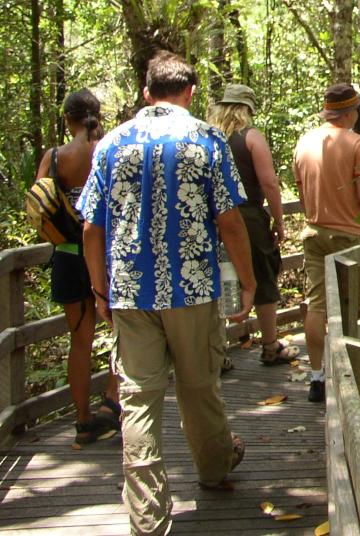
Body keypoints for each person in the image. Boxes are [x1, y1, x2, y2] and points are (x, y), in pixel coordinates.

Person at [79, 51, 256, 536]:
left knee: (138, 399)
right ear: (191, 92)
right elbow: (230, 221)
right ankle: (215, 468)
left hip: (130, 293)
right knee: (199, 387)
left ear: (144, 92)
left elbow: (92, 228)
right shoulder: (207, 139)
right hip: (194, 288)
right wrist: (246, 280)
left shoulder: (111, 144)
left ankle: (149, 518)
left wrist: (99, 290)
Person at [35, 89, 121, 445]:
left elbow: (37, 204)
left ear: (67, 119)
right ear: (98, 116)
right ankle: (111, 404)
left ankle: (83, 420)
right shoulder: (112, 150)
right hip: (108, 256)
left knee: (80, 341)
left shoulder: (54, 158)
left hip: (70, 255)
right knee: (125, 335)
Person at [294, 83, 360, 403]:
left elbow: (303, 193)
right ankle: (359, 376)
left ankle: (317, 376)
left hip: (315, 233)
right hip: (352, 235)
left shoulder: (304, 142)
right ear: (350, 113)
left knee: (317, 306)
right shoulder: (358, 144)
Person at [208, 84, 299, 366]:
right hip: (248, 217)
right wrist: (279, 220)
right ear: (247, 110)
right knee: (262, 277)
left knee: (223, 280)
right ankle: (270, 345)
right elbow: (269, 182)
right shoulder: (251, 137)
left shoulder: (207, 138)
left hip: (213, 219)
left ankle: (218, 353)